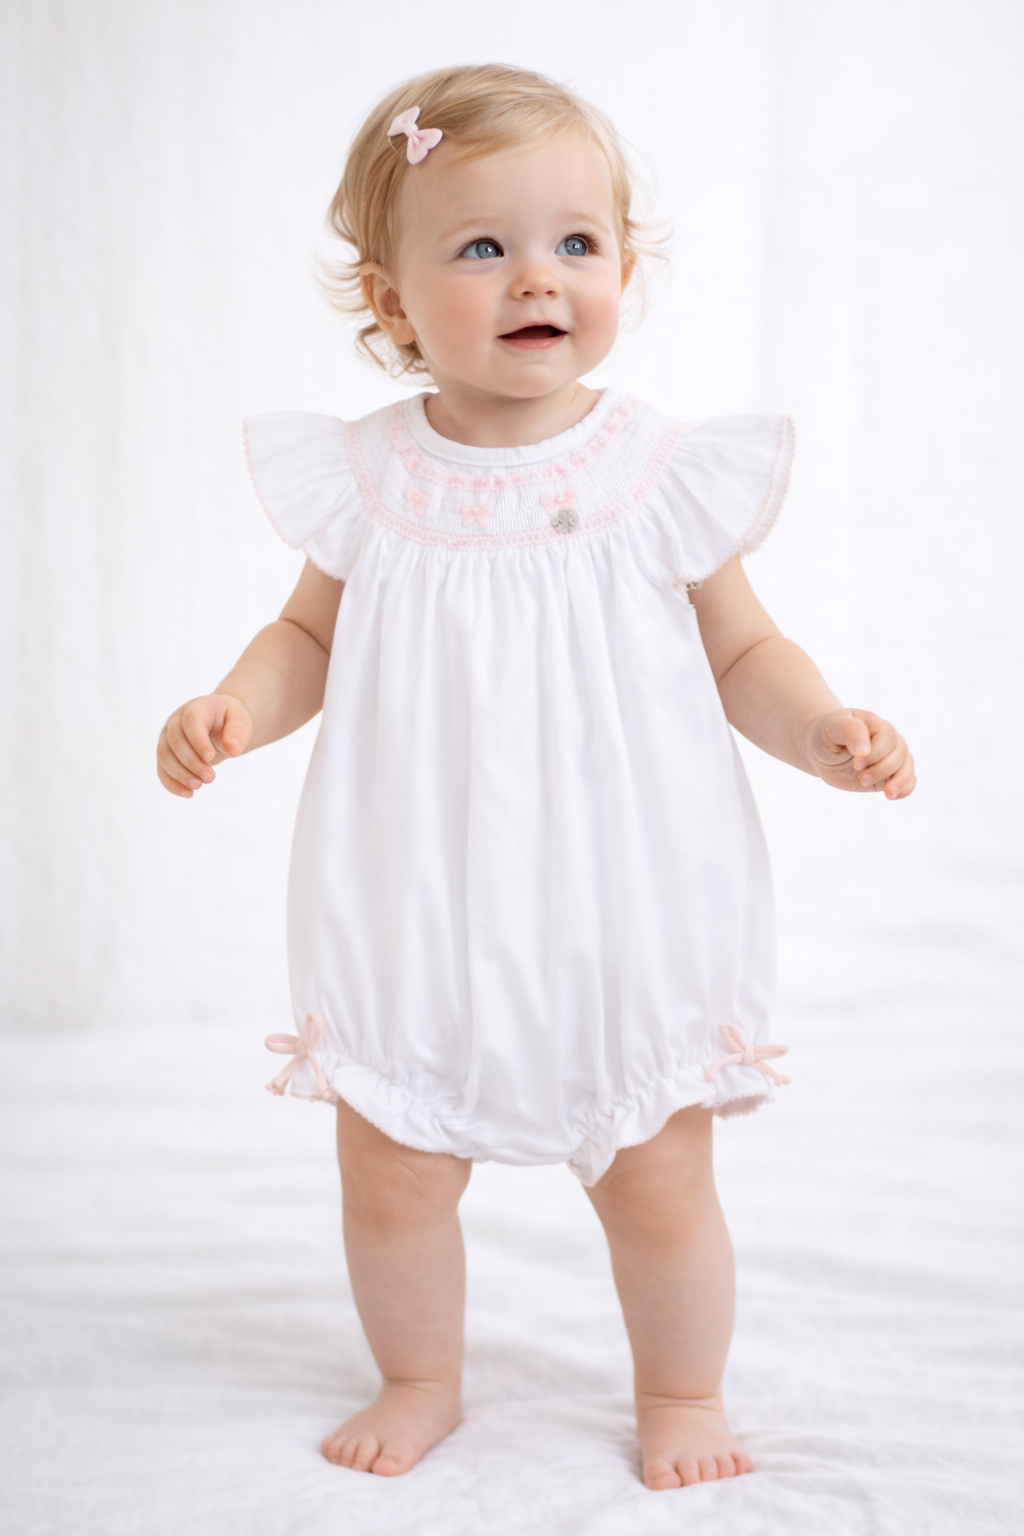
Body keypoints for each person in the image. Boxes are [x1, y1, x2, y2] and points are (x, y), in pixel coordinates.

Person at [156, 64, 915, 1491]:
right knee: (390, 1171)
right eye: (481, 247)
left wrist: (821, 727)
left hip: (620, 903)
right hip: (420, 899)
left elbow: (744, 648)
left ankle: (682, 1392)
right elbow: (307, 636)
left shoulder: (659, 475)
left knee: (658, 1175)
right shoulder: (372, 480)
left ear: (622, 266)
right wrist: (238, 708)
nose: (535, 278)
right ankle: (419, 1374)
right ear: (390, 301)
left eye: (575, 242)